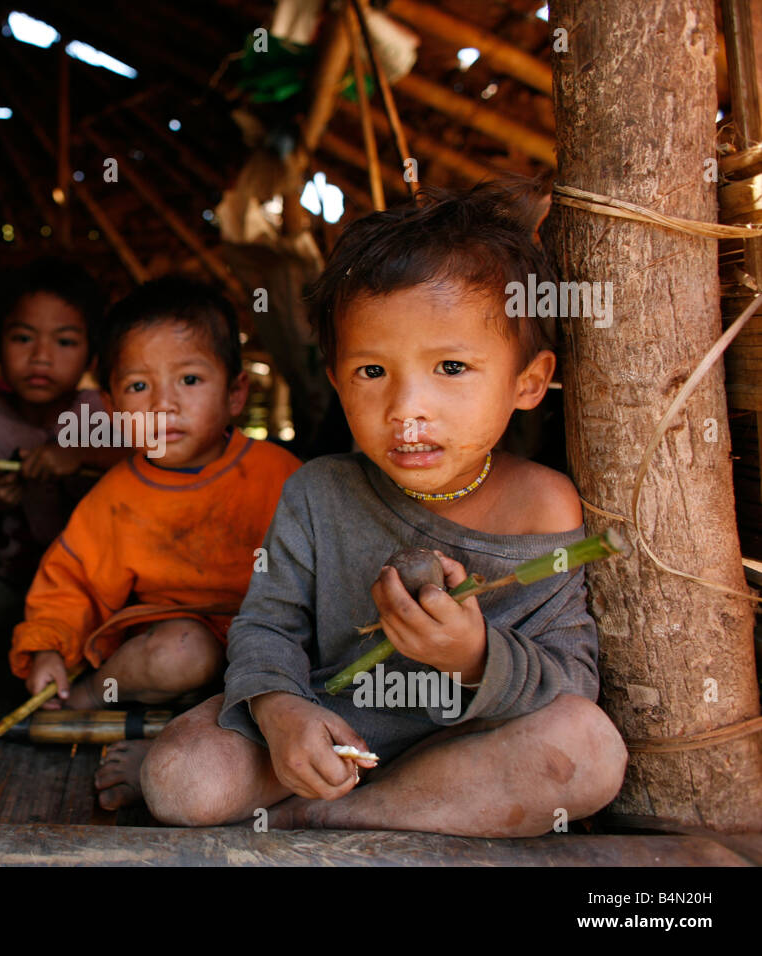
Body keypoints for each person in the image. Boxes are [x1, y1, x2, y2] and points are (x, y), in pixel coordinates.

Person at [140, 182, 628, 836]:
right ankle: (330, 796)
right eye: (372, 372)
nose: (406, 409)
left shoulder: (543, 507)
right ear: (337, 380)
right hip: (326, 730)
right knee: (179, 780)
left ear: (528, 382)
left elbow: (572, 679)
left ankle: (324, 814)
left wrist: (476, 658)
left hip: (463, 749)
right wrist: (284, 714)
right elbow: (266, 627)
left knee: (590, 751)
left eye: (451, 366)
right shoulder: (318, 492)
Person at [9, 276, 302, 809]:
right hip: (168, 653)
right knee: (185, 651)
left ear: (235, 393)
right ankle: (95, 698)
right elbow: (69, 580)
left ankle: (164, 754)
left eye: (189, 379)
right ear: (111, 404)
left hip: (265, 655)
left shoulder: (284, 479)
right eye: (140, 387)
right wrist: (49, 644)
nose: (163, 405)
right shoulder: (115, 496)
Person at [0, 259, 121, 630]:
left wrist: (82, 454)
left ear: (91, 356)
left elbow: (155, 467)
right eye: (23, 338)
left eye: (65, 341)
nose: (41, 356)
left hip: (94, 598)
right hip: (3, 591)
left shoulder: (104, 415)